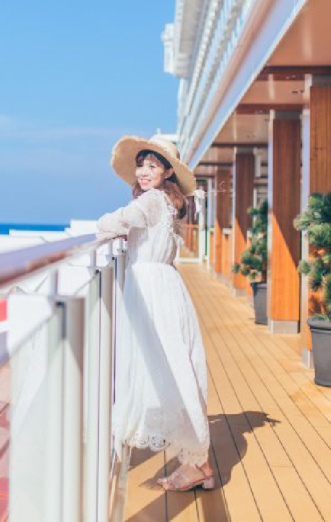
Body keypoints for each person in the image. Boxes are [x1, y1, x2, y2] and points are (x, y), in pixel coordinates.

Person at [96, 134, 212, 492]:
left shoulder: (150, 201)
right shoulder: (167, 202)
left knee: (168, 369)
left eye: (152, 165)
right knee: (174, 366)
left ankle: (199, 463)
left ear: (167, 172)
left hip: (151, 292)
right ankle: (197, 461)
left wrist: (103, 225)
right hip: (164, 287)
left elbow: (115, 221)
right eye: (141, 165)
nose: (144, 172)